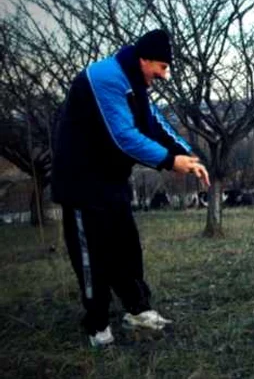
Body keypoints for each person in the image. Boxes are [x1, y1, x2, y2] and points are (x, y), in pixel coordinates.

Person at [52, 29, 210, 347]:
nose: (164, 75)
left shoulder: (135, 82)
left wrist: (187, 153)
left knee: (126, 248)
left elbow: (154, 124)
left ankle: (137, 309)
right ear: (144, 59)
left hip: (111, 181)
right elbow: (123, 136)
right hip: (81, 183)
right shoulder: (105, 77)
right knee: (92, 255)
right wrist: (170, 161)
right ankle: (97, 325)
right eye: (162, 67)